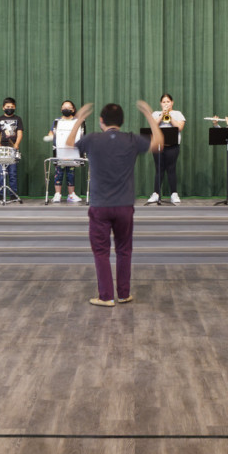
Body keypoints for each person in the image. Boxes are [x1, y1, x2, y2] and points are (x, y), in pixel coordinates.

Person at [65, 100, 161, 306]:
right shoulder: (131, 139)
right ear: (123, 122)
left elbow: (69, 143)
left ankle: (106, 296)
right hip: (125, 205)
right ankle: (124, 294)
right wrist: (151, 117)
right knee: (124, 250)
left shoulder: (92, 139)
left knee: (101, 251)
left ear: (101, 121)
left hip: (100, 206)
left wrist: (79, 119)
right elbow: (158, 143)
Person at [147, 93, 186, 205]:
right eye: (164, 102)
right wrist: (161, 116)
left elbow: (179, 128)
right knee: (159, 169)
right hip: (158, 146)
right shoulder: (155, 113)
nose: (166, 104)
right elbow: (152, 127)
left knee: (171, 169)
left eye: (168, 102)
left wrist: (169, 115)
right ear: (160, 103)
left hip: (172, 146)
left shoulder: (177, 114)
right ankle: (156, 194)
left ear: (172, 102)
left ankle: (174, 194)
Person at [45, 99, 83, 203]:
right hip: (59, 151)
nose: (66, 109)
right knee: (59, 172)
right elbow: (51, 132)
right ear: (61, 109)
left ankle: (71, 195)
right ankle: (57, 194)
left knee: (71, 173)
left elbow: (80, 135)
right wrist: (49, 136)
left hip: (72, 151)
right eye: (64, 107)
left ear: (73, 109)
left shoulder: (76, 121)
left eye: (69, 107)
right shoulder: (57, 121)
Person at [0, 97, 24, 200]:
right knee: (2, 173)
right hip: (1, 150)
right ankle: (2, 194)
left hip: (12, 149)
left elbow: (19, 133)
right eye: (7, 107)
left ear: (14, 107)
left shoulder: (18, 119)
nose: (9, 108)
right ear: (3, 108)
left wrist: (16, 144)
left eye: (11, 107)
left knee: (13, 173)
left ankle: (13, 195)